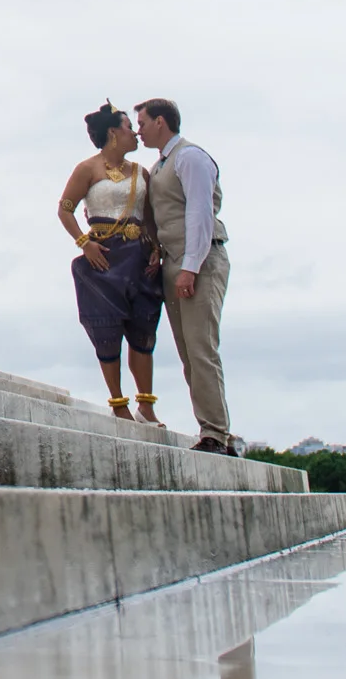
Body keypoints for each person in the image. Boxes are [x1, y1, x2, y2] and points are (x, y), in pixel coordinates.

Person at [56, 101, 164, 423]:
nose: (135, 134)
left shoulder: (140, 172)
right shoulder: (87, 169)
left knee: (143, 327)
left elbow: (148, 218)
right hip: (104, 255)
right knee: (107, 326)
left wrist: (156, 247)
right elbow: (65, 209)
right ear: (113, 133)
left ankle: (146, 404)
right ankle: (118, 402)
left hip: (139, 255)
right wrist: (84, 243)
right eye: (130, 128)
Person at [136, 97, 233, 453]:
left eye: (143, 123)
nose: (139, 130)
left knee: (201, 347)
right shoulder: (161, 163)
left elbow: (200, 213)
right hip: (174, 263)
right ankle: (210, 428)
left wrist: (190, 267)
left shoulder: (190, 157)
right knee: (188, 353)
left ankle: (216, 434)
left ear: (161, 122)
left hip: (200, 261)